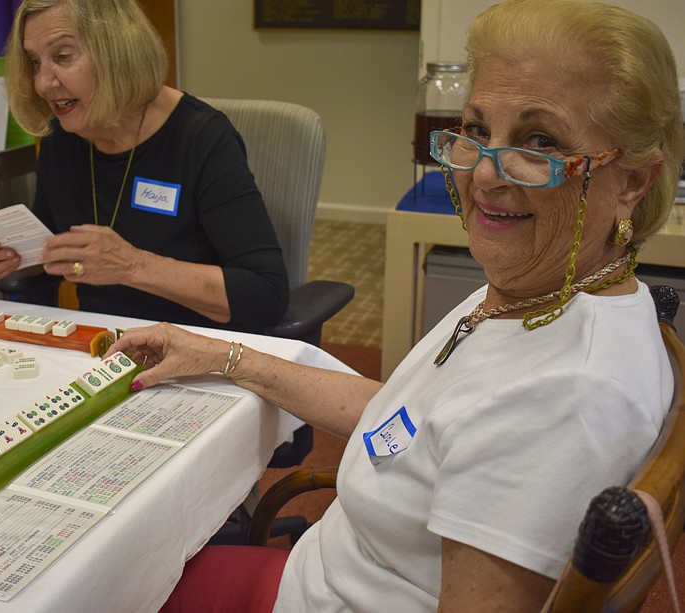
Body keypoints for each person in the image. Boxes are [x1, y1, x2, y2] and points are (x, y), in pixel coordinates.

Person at [108, 0, 684, 610]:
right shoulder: (545, 292)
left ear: (633, 182)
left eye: (539, 141)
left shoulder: (567, 397)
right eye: (477, 130)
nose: (485, 174)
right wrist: (227, 357)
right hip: (318, 575)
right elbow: (406, 425)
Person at [0, 0, 289, 332]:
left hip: (196, 348)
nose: (43, 83)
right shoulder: (62, 136)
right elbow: (51, 248)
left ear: (117, 53)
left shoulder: (202, 137)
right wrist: (14, 257)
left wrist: (132, 265)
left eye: (62, 57)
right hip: (100, 345)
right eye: (35, 62)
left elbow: (266, 295)